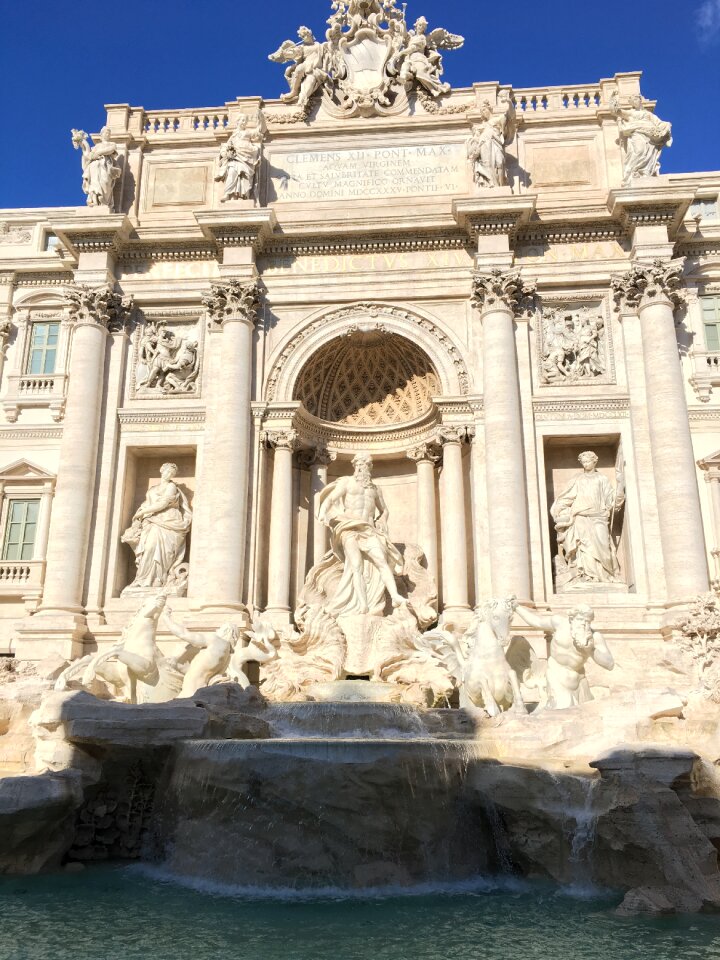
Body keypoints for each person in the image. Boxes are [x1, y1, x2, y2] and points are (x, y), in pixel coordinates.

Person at [317, 453, 405, 615]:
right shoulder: (347, 483)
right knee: (356, 566)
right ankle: (363, 605)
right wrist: (322, 512)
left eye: (365, 464)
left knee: (382, 561)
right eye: (358, 464)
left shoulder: (375, 489)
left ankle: (395, 597)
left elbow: (384, 510)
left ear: (369, 467)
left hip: (369, 530)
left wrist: (383, 520)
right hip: (349, 528)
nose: (361, 467)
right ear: (354, 466)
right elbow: (330, 500)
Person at [515, 603, 614, 709]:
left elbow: (609, 664)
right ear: (572, 618)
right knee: (563, 708)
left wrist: (591, 650)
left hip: (579, 680)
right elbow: (536, 621)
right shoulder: (559, 623)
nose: (584, 624)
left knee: (585, 714)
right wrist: (517, 607)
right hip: (556, 675)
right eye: (580, 619)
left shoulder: (595, 637)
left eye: (587, 621)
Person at [551, 451, 624, 584]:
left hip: (599, 517)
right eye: (583, 462)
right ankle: (589, 576)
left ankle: (606, 575)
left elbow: (611, 500)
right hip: (580, 517)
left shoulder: (602, 479)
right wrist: (559, 508)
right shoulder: (577, 479)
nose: (585, 464)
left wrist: (619, 493)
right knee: (584, 547)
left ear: (594, 461)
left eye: (588, 461)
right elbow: (567, 497)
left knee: (603, 545)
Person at [122, 463, 192, 592]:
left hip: (169, 521)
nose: (169, 475)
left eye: (172, 474)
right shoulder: (152, 489)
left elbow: (163, 503)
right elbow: (147, 504)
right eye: (167, 472)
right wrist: (141, 514)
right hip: (152, 521)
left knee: (161, 551)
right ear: (161, 471)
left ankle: (157, 579)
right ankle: (143, 579)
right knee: (148, 548)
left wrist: (143, 512)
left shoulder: (171, 487)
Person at [72, 126, 121, 211]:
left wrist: (97, 153)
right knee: (95, 183)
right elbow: (88, 155)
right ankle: (95, 201)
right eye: (105, 133)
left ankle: (104, 202)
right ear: (101, 135)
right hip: (95, 166)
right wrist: (83, 143)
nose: (107, 134)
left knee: (105, 182)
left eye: (108, 133)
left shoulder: (112, 144)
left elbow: (110, 150)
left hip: (106, 166)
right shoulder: (97, 146)